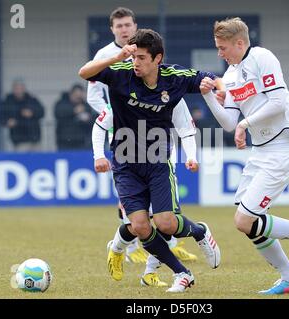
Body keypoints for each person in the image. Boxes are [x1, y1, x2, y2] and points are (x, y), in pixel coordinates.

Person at [79, 28, 221, 293]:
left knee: (166, 222)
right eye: (134, 57)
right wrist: (118, 56)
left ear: (158, 58)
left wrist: (222, 89)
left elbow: (209, 78)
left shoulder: (174, 79)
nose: (136, 63)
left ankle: (199, 232)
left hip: (157, 161)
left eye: (142, 57)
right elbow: (84, 73)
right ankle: (182, 273)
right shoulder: (121, 74)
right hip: (124, 163)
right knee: (140, 226)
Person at [199, 17, 289, 295]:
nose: (220, 53)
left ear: (240, 42)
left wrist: (247, 124)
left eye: (223, 48)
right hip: (260, 153)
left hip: (280, 151)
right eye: (217, 48)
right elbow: (229, 122)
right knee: (248, 224)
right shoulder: (232, 75)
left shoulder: (261, 57)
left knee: (245, 220)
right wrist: (209, 97)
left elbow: (279, 102)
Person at [2, 78, 45, 151]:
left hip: (34, 138)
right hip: (19, 139)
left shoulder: (31, 99)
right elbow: (1, 116)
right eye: (16, 88)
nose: (19, 91)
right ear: (13, 89)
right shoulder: (8, 102)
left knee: (37, 160)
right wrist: (7, 122)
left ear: (24, 89)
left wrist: (32, 113)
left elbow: (41, 112)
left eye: (20, 88)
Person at [55, 84, 95, 150]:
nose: (78, 98)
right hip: (64, 140)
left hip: (81, 140)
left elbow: (93, 119)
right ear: (71, 94)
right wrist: (74, 111)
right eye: (76, 96)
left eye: (79, 96)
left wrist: (87, 119)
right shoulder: (62, 103)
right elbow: (58, 112)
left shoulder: (86, 105)